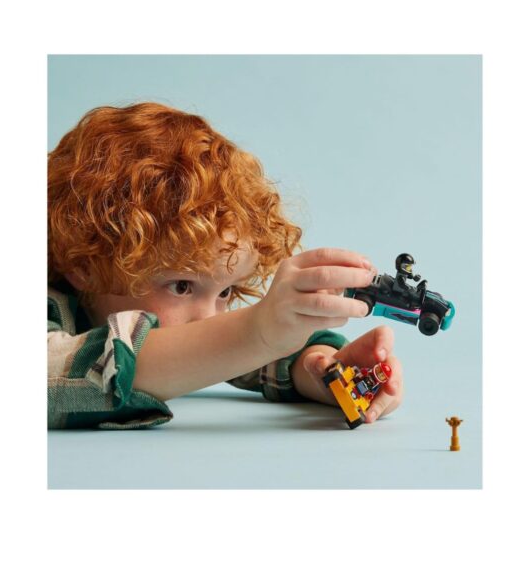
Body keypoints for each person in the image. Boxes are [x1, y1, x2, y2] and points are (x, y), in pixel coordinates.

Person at [48, 102, 403, 429]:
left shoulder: (193, 319)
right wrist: (255, 332)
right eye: (182, 286)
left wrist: (322, 367)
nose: (209, 319)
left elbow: (242, 354)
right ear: (84, 265)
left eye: (225, 292)